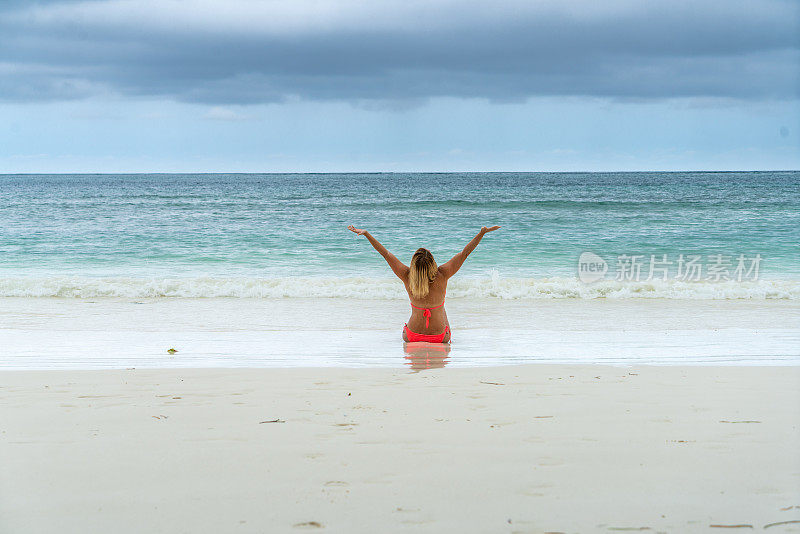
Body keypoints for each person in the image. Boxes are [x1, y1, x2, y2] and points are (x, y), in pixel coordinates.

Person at [347, 225, 501, 343]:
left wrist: (367, 234)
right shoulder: (443, 274)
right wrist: (481, 233)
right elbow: (464, 253)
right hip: (440, 337)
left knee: (419, 310)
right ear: (432, 263)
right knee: (442, 307)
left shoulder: (407, 275)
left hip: (411, 336)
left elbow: (385, 254)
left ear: (414, 264)